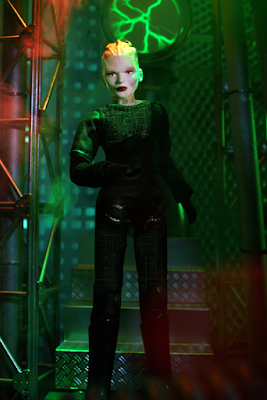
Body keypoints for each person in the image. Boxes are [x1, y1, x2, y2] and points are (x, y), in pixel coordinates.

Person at [70, 39, 196, 399]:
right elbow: (77, 169)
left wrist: (183, 194)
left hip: (152, 207)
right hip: (113, 207)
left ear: (139, 74)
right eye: (112, 74)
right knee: (106, 294)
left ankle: (160, 379)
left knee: (155, 294)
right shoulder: (96, 119)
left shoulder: (156, 113)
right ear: (104, 78)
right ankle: (98, 384)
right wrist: (107, 169)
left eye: (127, 72)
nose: (120, 79)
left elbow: (164, 160)